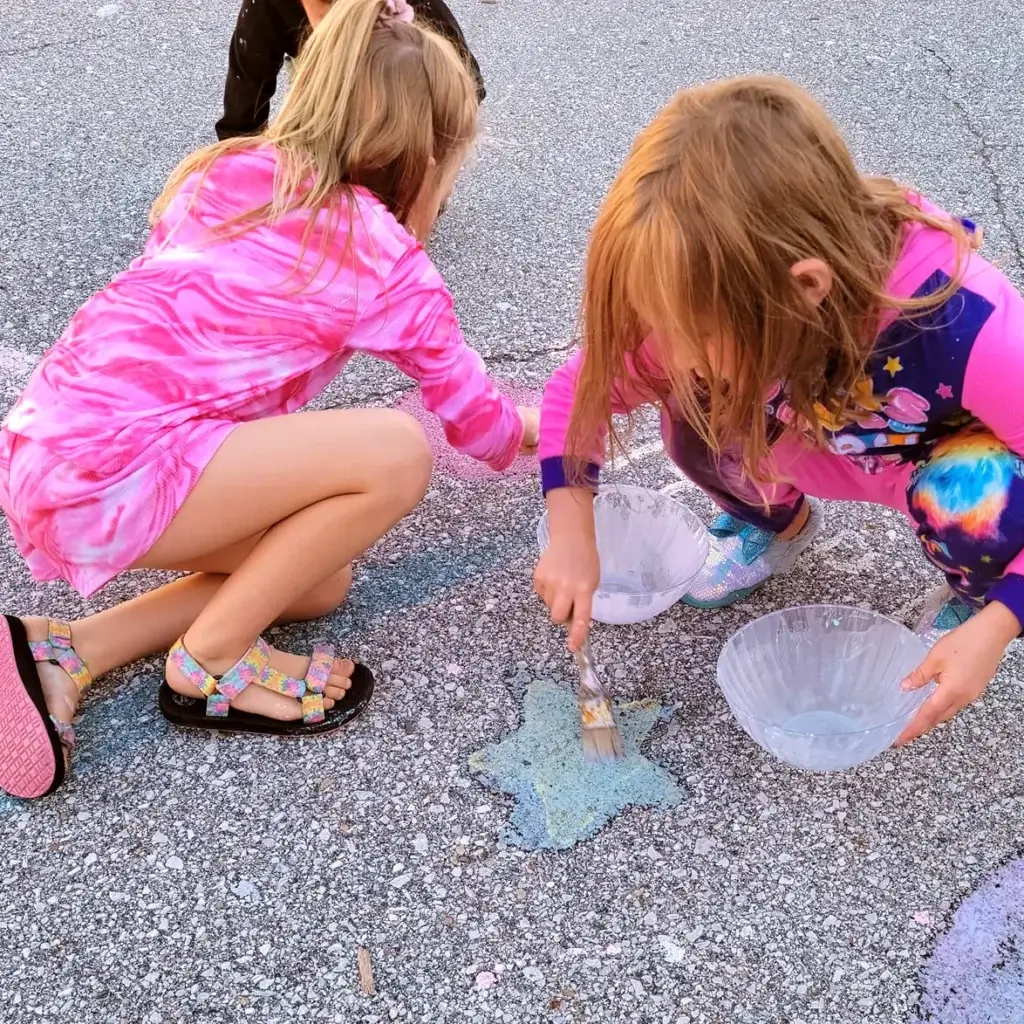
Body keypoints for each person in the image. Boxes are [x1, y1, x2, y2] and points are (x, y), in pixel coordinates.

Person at [0, 0, 537, 801]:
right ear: (429, 158)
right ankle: (209, 663)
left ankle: (60, 652)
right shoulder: (383, 257)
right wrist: (547, 424)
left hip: (49, 451)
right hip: (112, 475)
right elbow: (481, 428)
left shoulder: (225, 172)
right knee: (395, 452)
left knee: (315, 579)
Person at [534, 75, 1024, 750]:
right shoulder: (721, 308)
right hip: (803, 427)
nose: (664, 348)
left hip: (925, 459)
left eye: (687, 328)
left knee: (980, 491)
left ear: (806, 288)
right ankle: (775, 522)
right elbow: (577, 393)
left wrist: (1002, 620)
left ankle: (978, 592)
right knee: (694, 392)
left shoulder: (970, 328)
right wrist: (570, 529)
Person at [216, 0, 485, 140]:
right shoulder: (270, 7)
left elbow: (465, 87)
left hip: (397, 94)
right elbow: (244, 106)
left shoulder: (412, 11)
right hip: (322, 73)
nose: (332, 20)